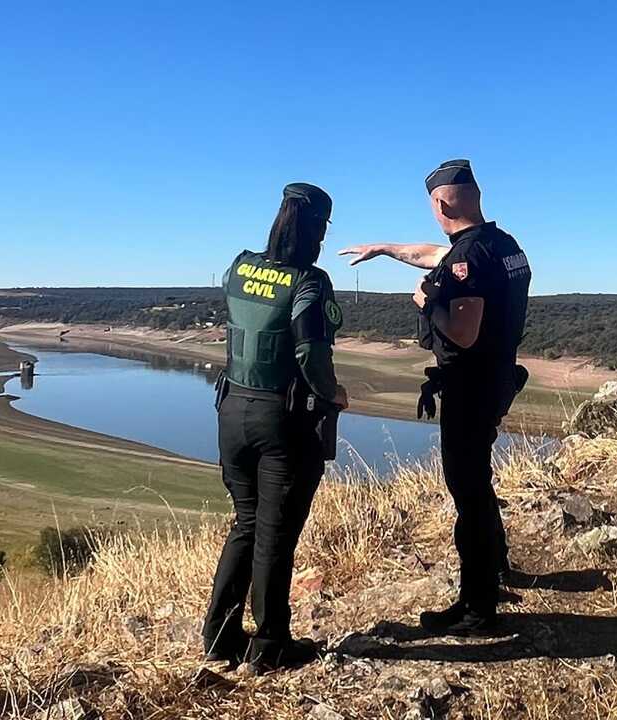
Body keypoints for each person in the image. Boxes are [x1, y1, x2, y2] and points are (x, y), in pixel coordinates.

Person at [339, 159, 532, 635]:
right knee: (479, 483)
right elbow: (439, 257)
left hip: (470, 387)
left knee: (468, 491)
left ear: (440, 203)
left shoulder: (469, 262)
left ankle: (477, 606)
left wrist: (429, 303)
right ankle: (497, 568)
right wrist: (385, 249)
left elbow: (463, 333)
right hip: (498, 378)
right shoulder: (503, 246)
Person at [202, 182, 348, 671]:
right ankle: (270, 646)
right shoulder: (310, 281)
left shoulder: (239, 267)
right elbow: (310, 351)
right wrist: (333, 394)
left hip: (232, 411)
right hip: (283, 420)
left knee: (245, 524)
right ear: (316, 229)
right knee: (276, 535)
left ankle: (219, 639)